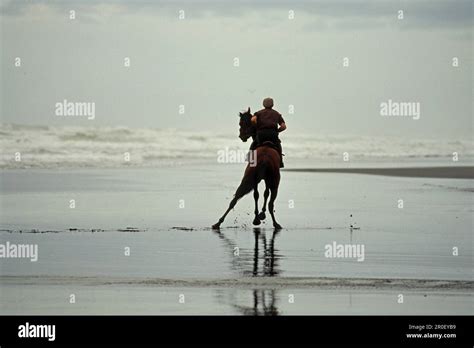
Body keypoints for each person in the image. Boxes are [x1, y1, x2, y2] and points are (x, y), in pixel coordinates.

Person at [250, 97, 287, 168]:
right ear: (272, 104)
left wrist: (256, 126)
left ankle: (252, 161)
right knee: (278, 145)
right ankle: (281, 162)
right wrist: (277, 131)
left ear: (263, 104)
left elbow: (253, 119)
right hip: (273, 135)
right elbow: (284, 126)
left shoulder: (258, 113)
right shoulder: (277, 114)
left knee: (254, 145)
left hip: (261, 134)